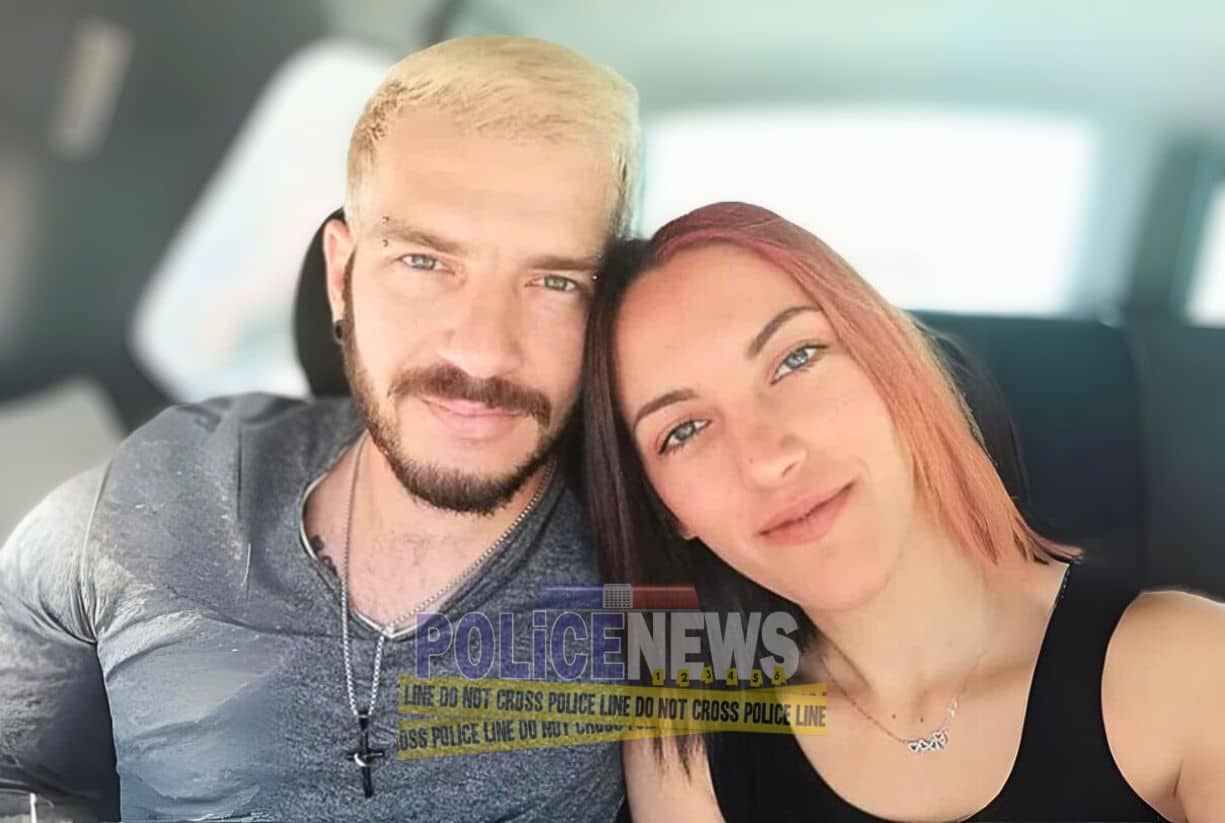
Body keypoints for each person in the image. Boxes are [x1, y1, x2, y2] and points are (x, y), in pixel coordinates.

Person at [0, 36, 638, 821]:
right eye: (424, 262)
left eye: (555, 280)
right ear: (341, 276)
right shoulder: (163, 494)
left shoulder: (658, 560)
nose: (481, 349)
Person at [582, 202, 1225, 821]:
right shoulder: (688, 740)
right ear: (668, 511)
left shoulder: (1191, 668)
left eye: (796, 359)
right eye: (684, 430)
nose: (767, 460)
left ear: (894, 367)